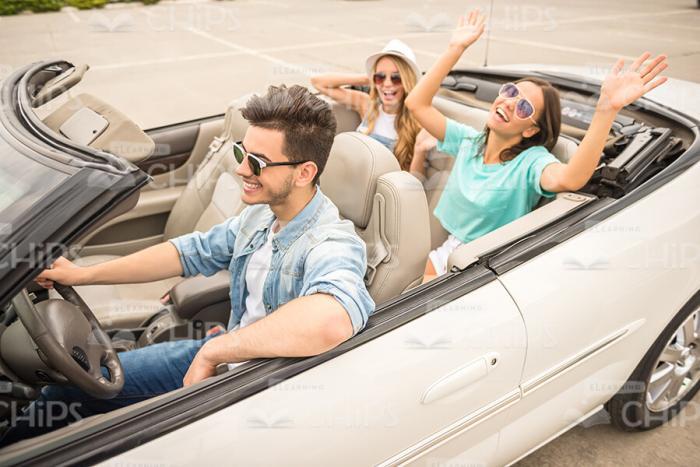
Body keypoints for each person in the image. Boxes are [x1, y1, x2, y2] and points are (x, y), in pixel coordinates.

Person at [2, 85, 374, 444]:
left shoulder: (331, 240)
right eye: (241, 153)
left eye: (257, 163)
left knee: (79, 401)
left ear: (304, 172)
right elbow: (185, 252)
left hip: (252, 387)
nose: (243, 170)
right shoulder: (261, 216)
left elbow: (331, 319)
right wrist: (81, 274)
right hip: (224, 352)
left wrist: (217, 350)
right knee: (72, 387)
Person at [405, 9, 668, 280]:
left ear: (531, 129)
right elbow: (416, 104)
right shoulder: (470, 141)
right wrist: (455, 47)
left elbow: (571, 178)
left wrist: (606, 110)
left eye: (523, 106)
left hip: (481, 272)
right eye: (510, 91)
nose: (509, 102)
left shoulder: (531, 162)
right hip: (447, 251)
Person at [311, 39, 422, 170]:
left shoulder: (416, 121)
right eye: (380, 77)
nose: (386, 84)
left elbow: (411, 181)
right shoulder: (367, 105)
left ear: (407, 81)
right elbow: (318, 82)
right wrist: (367, 78)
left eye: (396, 78)